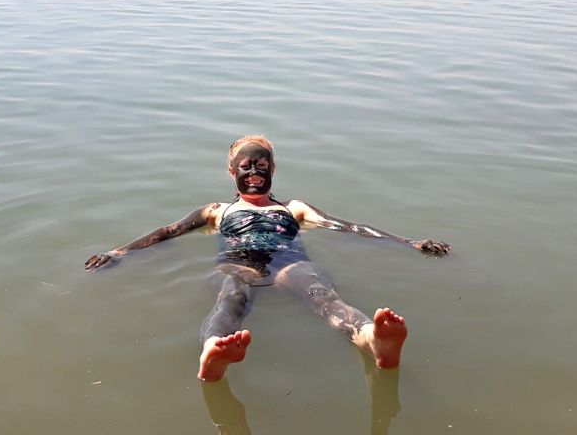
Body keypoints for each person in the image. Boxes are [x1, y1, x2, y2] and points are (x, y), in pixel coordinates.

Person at [85, 135, 451, 381]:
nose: (255, 173)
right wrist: (118, 252)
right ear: (233, 171)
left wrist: (410, 242)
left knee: (320, 293)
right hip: (236, 264)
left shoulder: (294, 208)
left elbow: (349, 227)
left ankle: (370, 338)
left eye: (262, 166)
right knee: (232, 293)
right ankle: (214, 348)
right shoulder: (217, 211)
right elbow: (166, 232)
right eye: (247, 167)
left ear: (272, 169)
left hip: (288, 264)